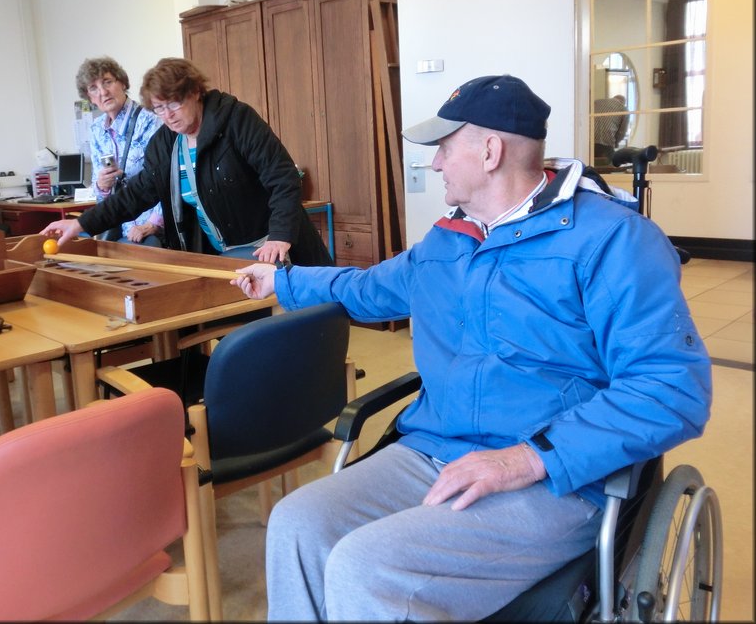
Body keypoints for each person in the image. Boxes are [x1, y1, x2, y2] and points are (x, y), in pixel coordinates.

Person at [231, 74, 711, 621]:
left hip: (555, 476)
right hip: (435, 448)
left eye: (444, 147)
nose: (435, 163)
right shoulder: (450, 240)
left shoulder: (612, 240)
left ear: (489, 151)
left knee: (366, 567)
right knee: (296, 523)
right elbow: (367, 289)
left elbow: (671, 388)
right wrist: (283, 282)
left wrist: (528, 458)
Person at [44, 57, 332, 266]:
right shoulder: (165, 143)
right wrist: (81, 224)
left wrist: (280, 237)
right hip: (224, 256)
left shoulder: (236, 120)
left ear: (195, 92)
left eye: (174, 103)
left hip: (275, 248)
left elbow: (283, 178)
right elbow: (135, 195)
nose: (167, 115)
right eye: (159, 108)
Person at [74, 56, 164, 246]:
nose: (103, 92)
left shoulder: (151, 120)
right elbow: (100, 195)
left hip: (153, 229)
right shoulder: (96, 129)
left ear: (122, 83)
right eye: (94, 88)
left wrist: (153, 224)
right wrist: (102, 186)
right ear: (89, 97)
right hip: (120, 227)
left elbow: (168, 179)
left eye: (107, 82)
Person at [593, 94, 628, 165]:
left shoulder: (596, 102)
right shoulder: (623, 109)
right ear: (623, 102)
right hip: (606, 144)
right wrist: (615, 143)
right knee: (606, 167)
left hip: (588, 141)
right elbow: (621, 132)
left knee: (588, 167)